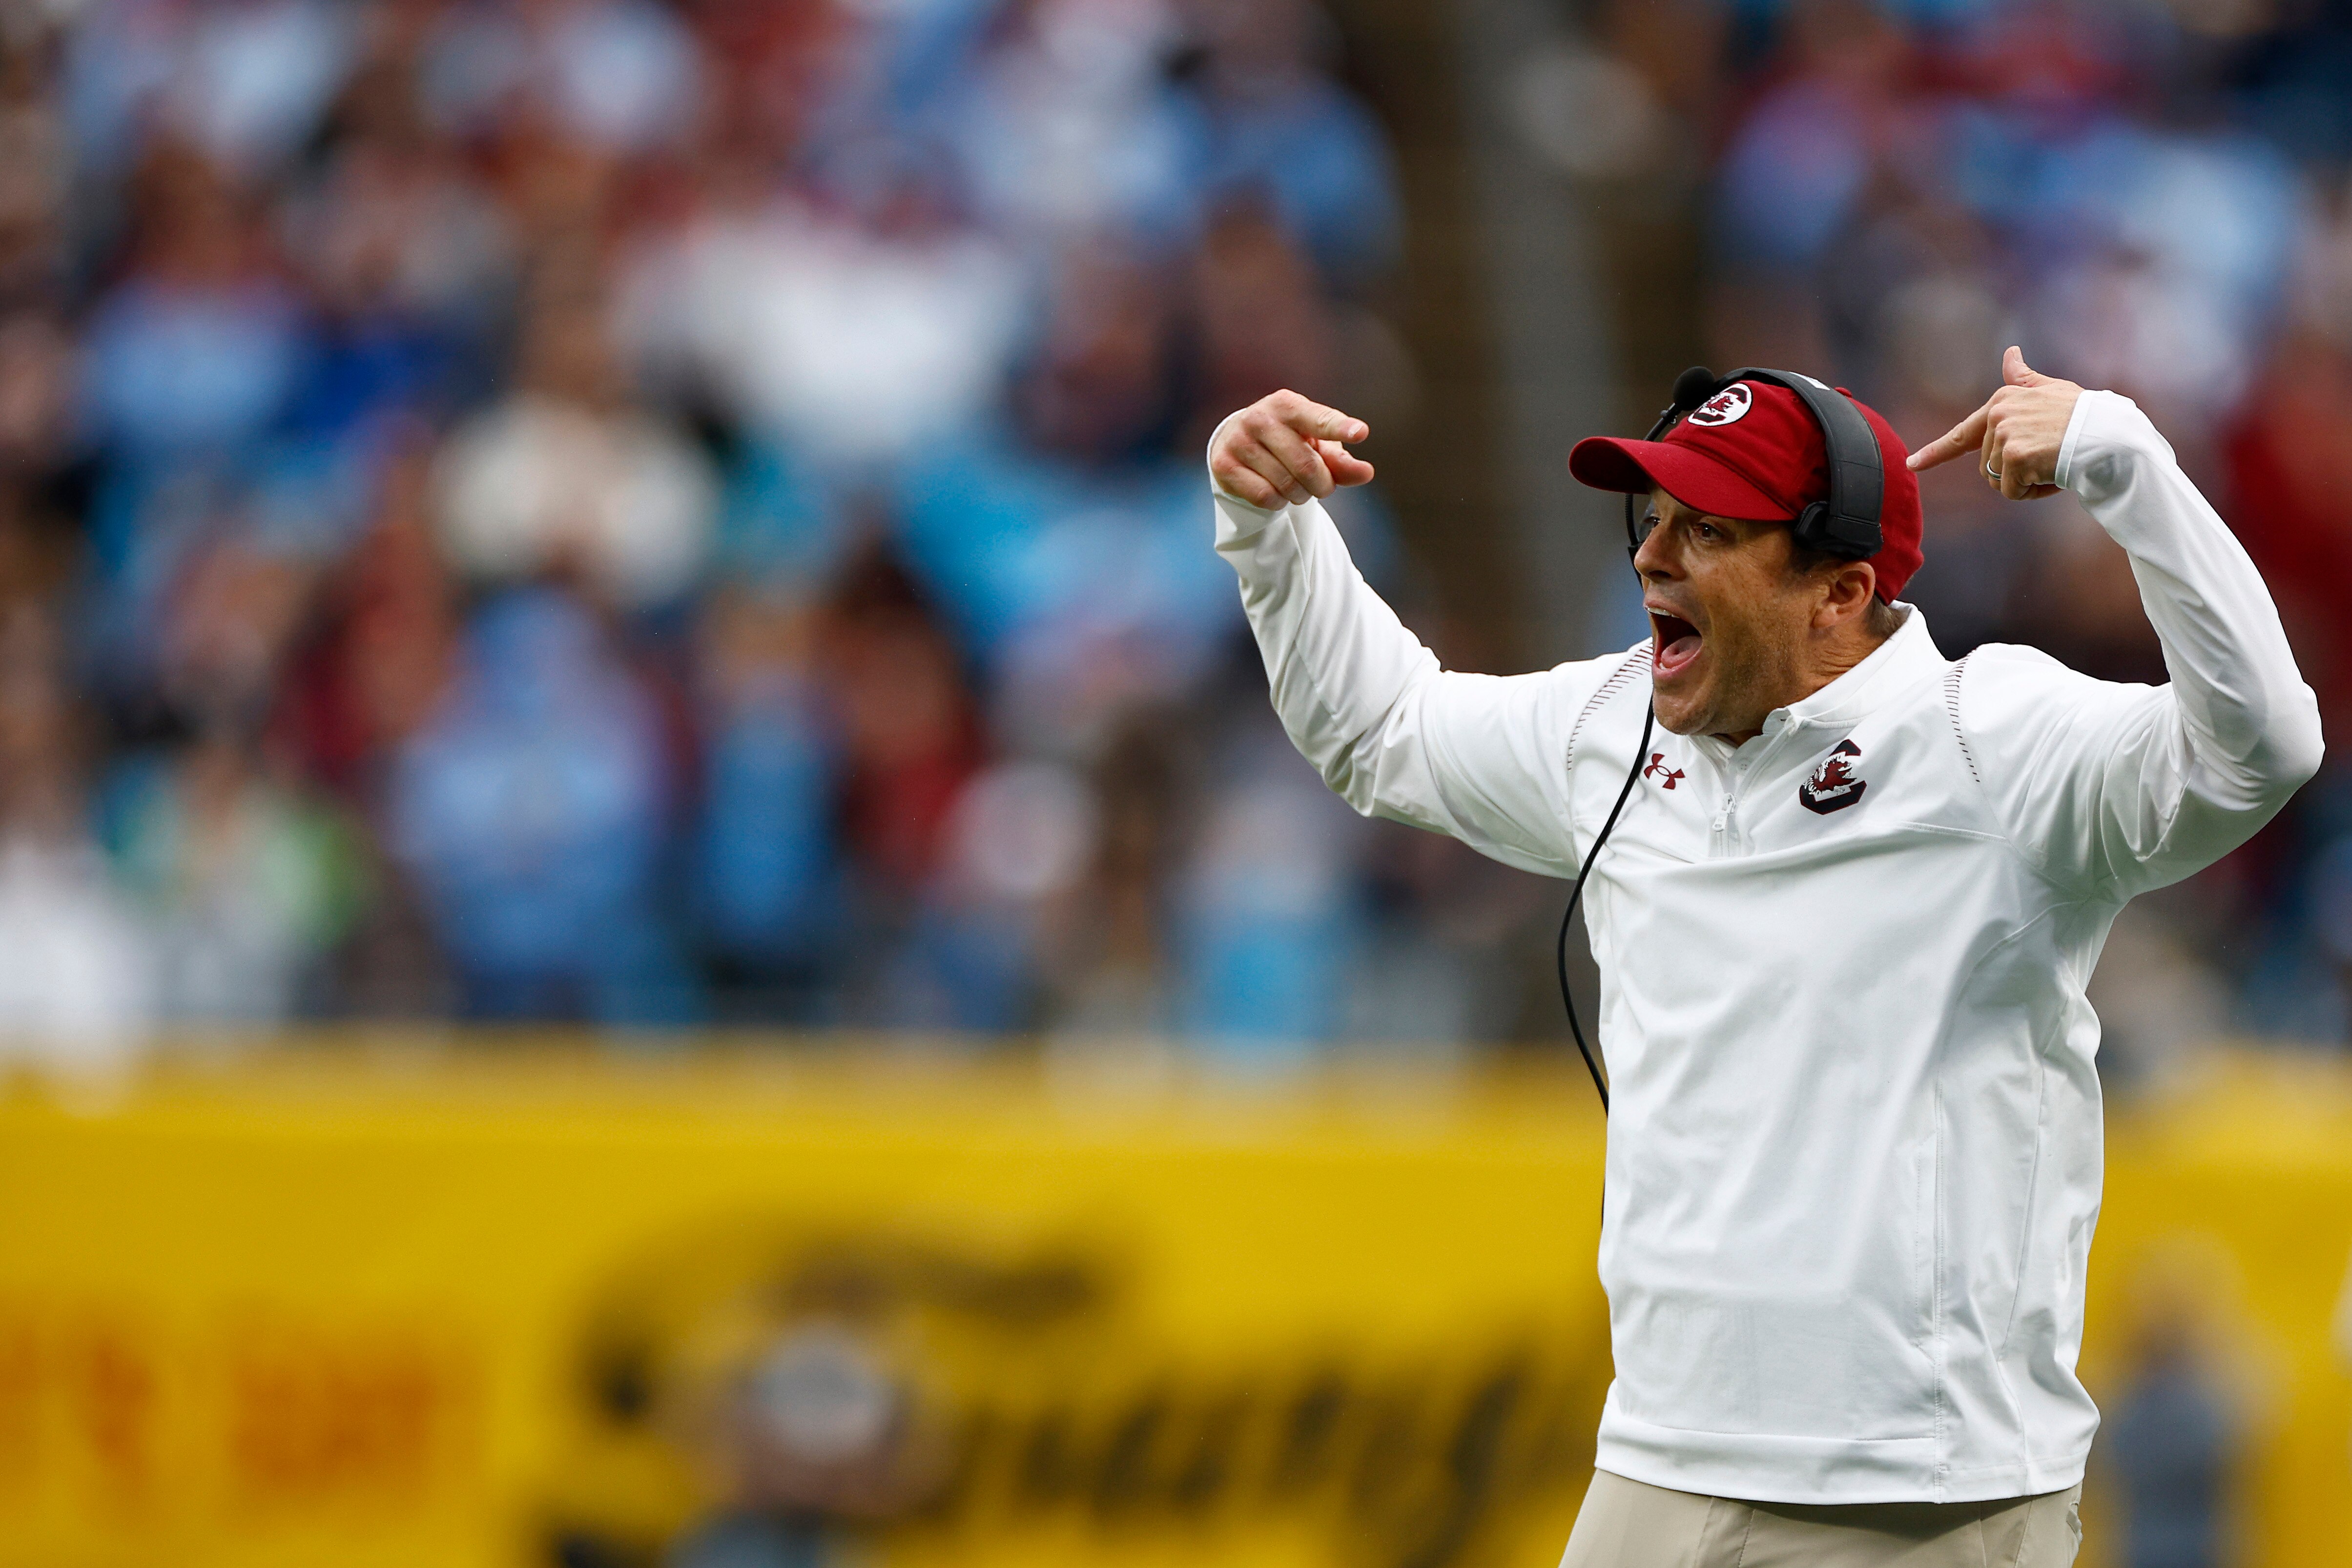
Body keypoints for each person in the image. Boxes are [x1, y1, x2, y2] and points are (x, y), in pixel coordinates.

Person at [1204, 348, 2322, 1566]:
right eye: (1655, 515)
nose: (1651, 554)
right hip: (1659, 1463)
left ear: (1840, 593)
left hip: (1919, 1502)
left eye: (1709, 530)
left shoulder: (1995, 740)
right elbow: (1382, 730)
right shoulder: (1612, 727)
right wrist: (1274, 530)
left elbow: (2258, 749)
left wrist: (2123, 460)